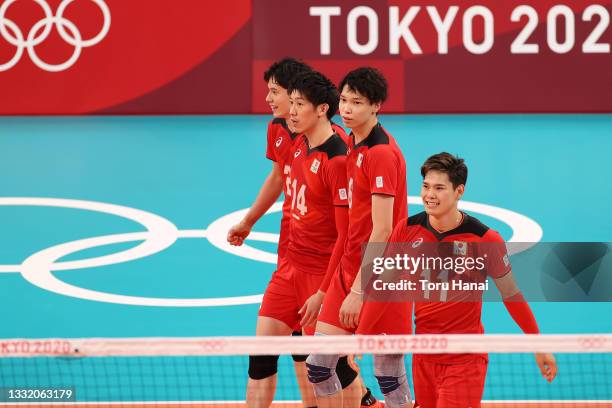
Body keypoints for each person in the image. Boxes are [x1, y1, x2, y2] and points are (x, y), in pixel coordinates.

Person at [389, 152, 558, 407]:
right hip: (423, 355)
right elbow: (384, 284)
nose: (429, 195)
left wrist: (538, 343)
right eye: (425, 186)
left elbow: (511, 294)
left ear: (459, 191)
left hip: (465, 357)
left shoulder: (485, 240)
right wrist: (357, 337)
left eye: (439, 188)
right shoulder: (406, 229)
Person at [308, 67, 411, 408]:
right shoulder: (353, 141)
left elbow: (382, 230)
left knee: (388, 377)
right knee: (318, 366)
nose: (347, 109)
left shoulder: (382, 154)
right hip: (350, 267)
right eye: (344, 100)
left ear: (376, 106)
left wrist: (358, 291)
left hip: (381, 277)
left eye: (357, 102)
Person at [227, 57, 316, 408]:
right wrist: (249, 221)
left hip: (322, 269)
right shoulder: (277, 130)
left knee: (322, 361)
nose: (269, 99)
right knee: (264, 353)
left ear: (298, 96)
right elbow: (279, 176)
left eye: (275, 92)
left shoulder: (333, 147)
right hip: (289, 258)